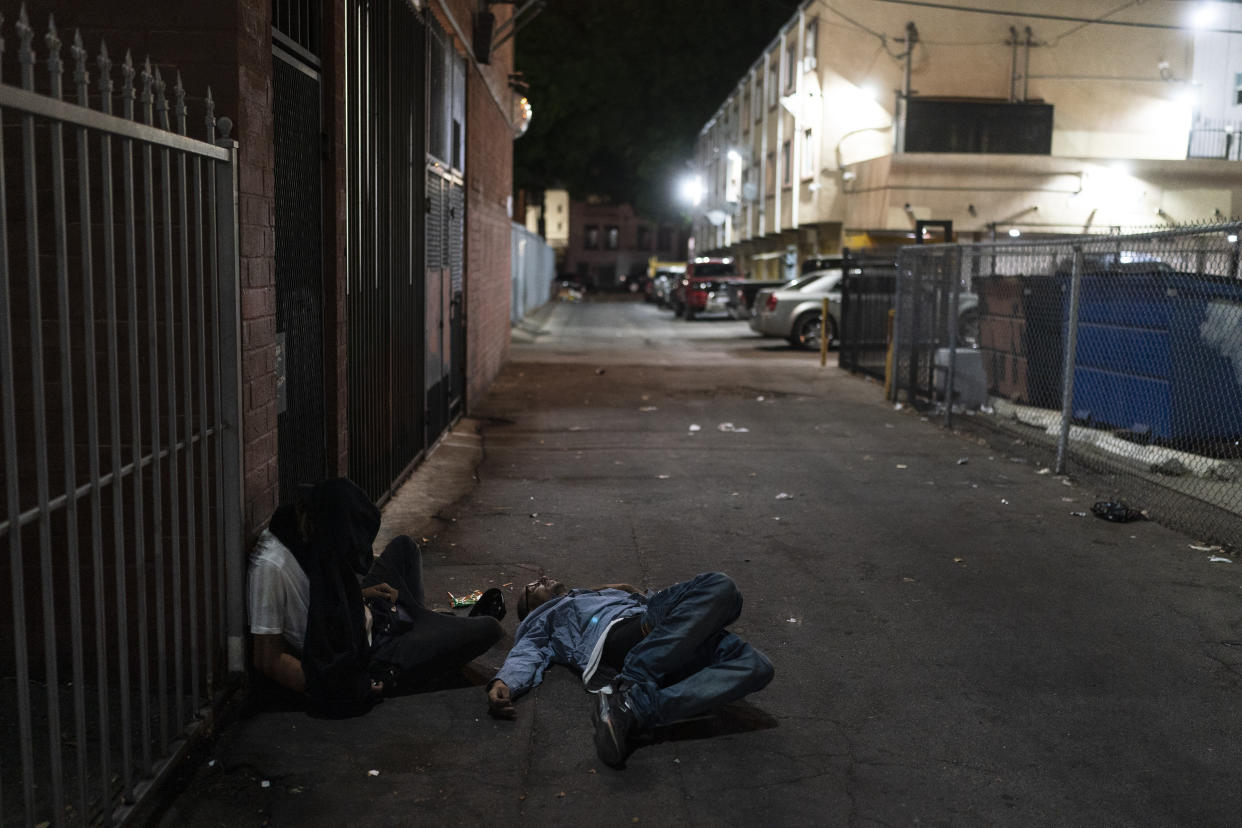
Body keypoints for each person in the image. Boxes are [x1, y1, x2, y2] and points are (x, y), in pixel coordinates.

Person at [248, 477, 503, 717]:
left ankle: (427, 627)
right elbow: (267, 659)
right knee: (489, 628)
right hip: (370, 649)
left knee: (404, 547)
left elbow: (320, 596)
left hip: (363, 612)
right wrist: (350, 684)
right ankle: (426, 639)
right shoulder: (271, 566)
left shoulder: (302, 531)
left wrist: (359, 594)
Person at [486, 571, 774, 768]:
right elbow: (527, 652)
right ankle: (633, 679)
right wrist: (505, 682)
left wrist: (621, 590)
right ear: (531, 608)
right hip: (632, 635)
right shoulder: (546, 617)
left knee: (758, 666)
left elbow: (635, 593)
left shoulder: (591, 595)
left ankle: (633, 708)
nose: (542, 580)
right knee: (721, 586)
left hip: (672, 632)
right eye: (532, 588)